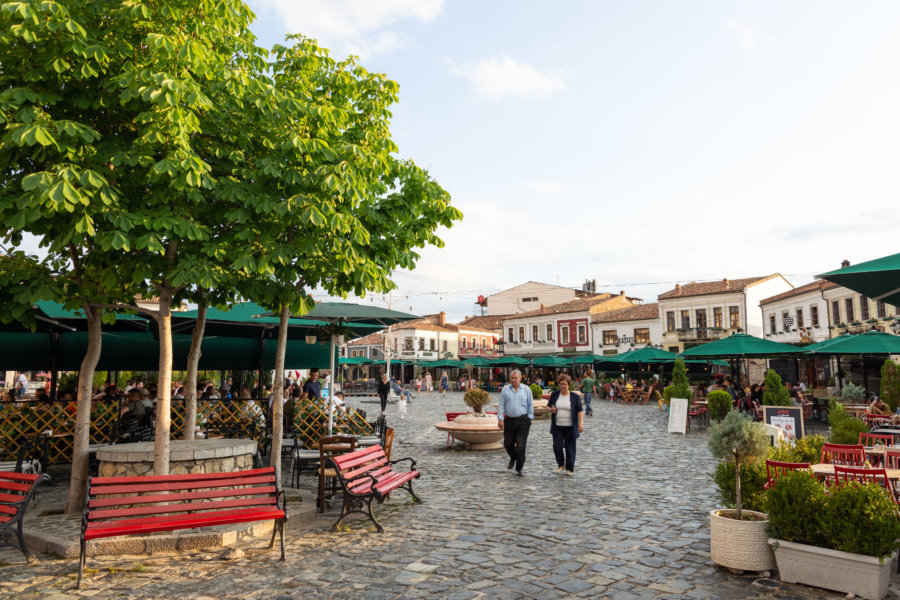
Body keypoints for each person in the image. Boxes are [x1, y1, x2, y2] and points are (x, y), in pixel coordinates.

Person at [497, 369, 533, 477]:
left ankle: (519, 468)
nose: (513, 380)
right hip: (509, 420)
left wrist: (530, 418)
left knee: (521, 445)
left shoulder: (526, 390)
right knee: (508, 444)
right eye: (512, 378)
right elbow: (501, 405)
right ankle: (513, 457)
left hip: (523, 420)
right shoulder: (505, 390)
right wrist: (500, 419)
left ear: (520, 379)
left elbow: (530, 404)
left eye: (515, 378)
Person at [548, 374, 585, 475]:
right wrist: (551, 410)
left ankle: (570, 469)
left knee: (570, 448)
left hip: (570, 426)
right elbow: (548, 407)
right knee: (557, 446)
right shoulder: (555, 395)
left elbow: (580, 411)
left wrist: (581, 423)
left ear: (569, 385)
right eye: (561, 384)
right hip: (557, 426)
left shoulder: (574, 397)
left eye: (565, 384)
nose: (563, 386)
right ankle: (560, 464)